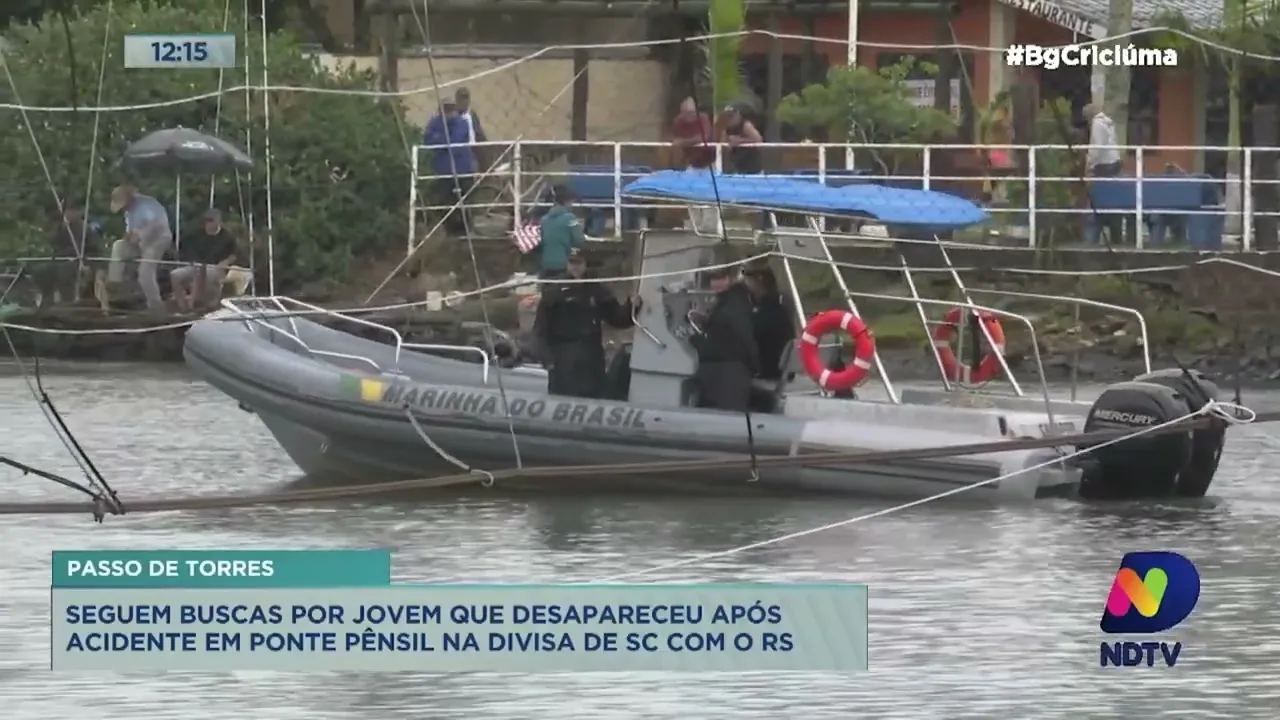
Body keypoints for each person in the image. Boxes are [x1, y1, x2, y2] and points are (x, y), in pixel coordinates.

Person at [535, 248, 635, 398]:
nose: (575, 267)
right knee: (564, 396)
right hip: (564, 356)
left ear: (585, 264)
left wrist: (631, 306)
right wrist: (547, 360)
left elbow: (616, 318)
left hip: (591, 355)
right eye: (572, 263)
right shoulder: (554, 291)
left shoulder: (596, 289)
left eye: (579, 263)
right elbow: (540, 329)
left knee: (594, 394)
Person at [688, 265, 758, 412]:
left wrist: (695, 341)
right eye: (713, 279)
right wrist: (707, 323)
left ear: (731, 278)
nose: (716, 283)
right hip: (729, 363)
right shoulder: (731, 299)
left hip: (728, 369)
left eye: (721, 278)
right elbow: (725, 328)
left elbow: (739, 334)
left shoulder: (734, 302)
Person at [107, 183, 172, 310]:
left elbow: (156, 225)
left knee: (145, 271)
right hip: (140, 242)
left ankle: (155, 306)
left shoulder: (146, 204)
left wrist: (141, 235)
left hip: (158, 239)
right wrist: (129, 236)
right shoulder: (128, 212)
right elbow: (131, 231)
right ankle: (116, 287)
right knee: (119, 247)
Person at [37, 199, 103, 310]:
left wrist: (60, 255)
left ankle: (67, 301)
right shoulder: (62, 227)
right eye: (65, 212)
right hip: (65, 259)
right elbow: (53, 241)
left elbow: (77, 248)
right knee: (43, 270)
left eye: (70, 211)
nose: (67, 215)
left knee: (64, 271)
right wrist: (61, 227)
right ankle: (47, 298)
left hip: (84, 259)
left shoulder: (82, 227)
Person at [423, 100, 476, 234]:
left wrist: (439, 138)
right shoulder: (435, 122)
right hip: (443, 170)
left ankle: (465, 230)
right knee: (444, 202)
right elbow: (427, 139)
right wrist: (443, 140)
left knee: (463, 201)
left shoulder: (461, 122)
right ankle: (451, 232)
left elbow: (455, 141)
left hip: (461, 169)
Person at [171, 208, 237, 311]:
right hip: (196, 265)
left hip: (215, 267)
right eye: (206, 220)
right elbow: (186, 249)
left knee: (206, 273)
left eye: (211, 220)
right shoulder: (197, 235)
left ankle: (201, 304)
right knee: (175, 275)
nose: (208, 223)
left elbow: (234, 255)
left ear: (218, 221)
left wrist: (225, 262)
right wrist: (191, 260)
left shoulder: (227, 237)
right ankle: (183, 307)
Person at [741, 264, 794, 381]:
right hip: (782, 373)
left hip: (768, 374)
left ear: (758, 281)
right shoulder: (780, 310)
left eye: (747, 281)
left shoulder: (764, 315)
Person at [1083, 103, 1125, 245]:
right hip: (1114, 162)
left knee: (1100, 200)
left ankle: (1095, 236)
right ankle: (1115, 236)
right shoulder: (1108, 123)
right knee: (1112, 201)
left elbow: (1097, 147)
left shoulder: (1097, 124)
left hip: (1104, 165)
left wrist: (1089, 163)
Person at [537, 184, 586, 279]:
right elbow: (579, 241)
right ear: (567, 201)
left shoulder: (544, 219)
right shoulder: (570, 218)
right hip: (564, 264)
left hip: (545, 263)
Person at [671, 97, 714, 170]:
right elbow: (674, 139)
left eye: (691, 112)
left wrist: (683, 141)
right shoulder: (678, 121)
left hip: (709, 162)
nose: (689, 115)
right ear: (681, 112)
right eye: (685, 113)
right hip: (690, 162)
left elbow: (704, 137)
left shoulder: (703, 118)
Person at [719, 105, 763, 175]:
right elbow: (723, 144)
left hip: (752, 166)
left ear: (738, 115)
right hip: (737, 165)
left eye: (731, 116)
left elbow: (758, 140)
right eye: (727, 117)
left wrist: (739, 141)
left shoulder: (745, 125)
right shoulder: (727, 129)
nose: (730, 119)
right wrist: (728, 144)